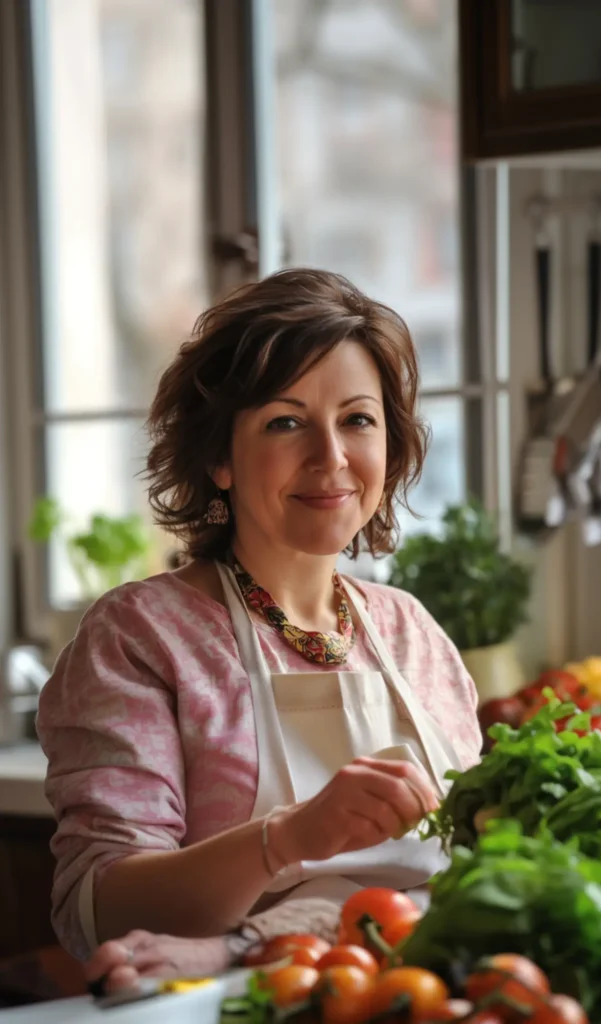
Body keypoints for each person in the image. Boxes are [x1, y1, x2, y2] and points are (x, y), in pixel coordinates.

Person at [37, 268, 481, 990]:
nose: (331, 457)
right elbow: (101, 912)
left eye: (357, 420)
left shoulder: (413, 635)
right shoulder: (143, 637)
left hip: (414, 993)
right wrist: (289, 839)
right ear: (218, 458)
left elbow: (469, 873)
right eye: (285, 421)